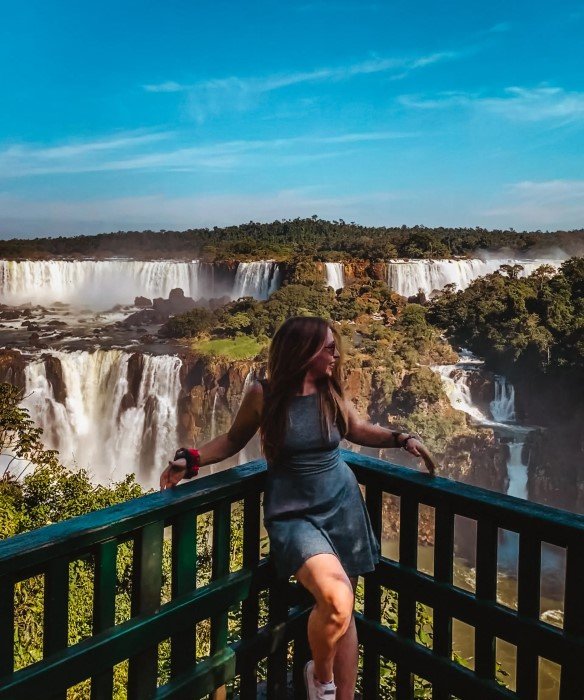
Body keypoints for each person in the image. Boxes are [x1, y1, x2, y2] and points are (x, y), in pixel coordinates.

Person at [160, 316, 437, 700]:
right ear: (303, 352)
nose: (335, 354)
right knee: (337, 598)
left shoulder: (330, 389)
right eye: (328, 347)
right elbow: (232, 440)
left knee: (345, 614)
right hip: (294, 514)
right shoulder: (265, 393)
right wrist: (189, 460)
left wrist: (400, 437)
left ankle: (341, 697)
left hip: (342, 505)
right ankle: (318, 676)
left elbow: (355, 428)